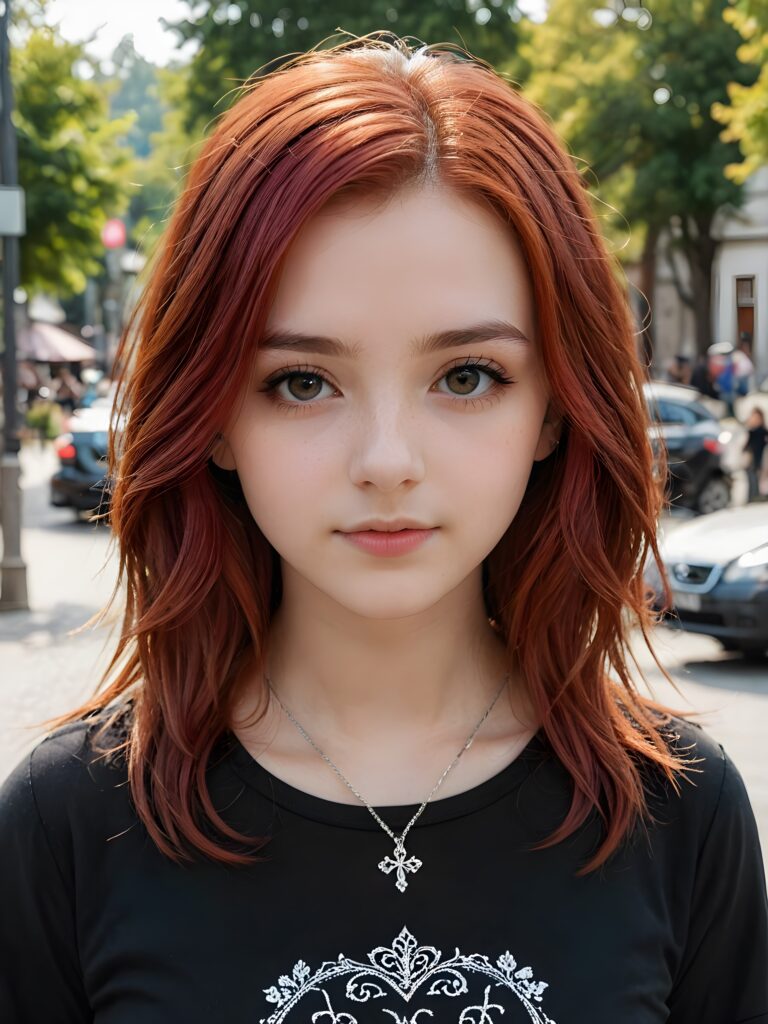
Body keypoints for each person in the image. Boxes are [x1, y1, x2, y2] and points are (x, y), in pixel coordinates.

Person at [1, 35, 766, 1024]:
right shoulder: (73, 824)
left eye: (467, 376)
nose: (387, 457)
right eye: (302, 382)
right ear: (216, 417)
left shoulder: (677, 815)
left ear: (552, 409)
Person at [743, 406, 768, 502]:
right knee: (751, 477)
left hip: (758, 459)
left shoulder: (762, 431)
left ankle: (755, 496)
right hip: (750, 458)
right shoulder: (751, 431)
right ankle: (752, 497)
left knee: (754, 477)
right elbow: (746, 445)